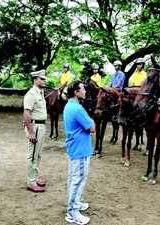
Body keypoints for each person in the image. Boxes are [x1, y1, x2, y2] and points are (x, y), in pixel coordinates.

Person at [63, 81, 95, 225]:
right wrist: (91, 120)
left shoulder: (70, 106)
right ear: (76, 92)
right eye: (82, 89)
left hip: (75, 148)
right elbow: (91, 127)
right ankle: (72, 212)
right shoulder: (77, 109)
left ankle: (76, 202)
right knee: (78, 180)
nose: (85, 91)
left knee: (74, 178)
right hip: (80, 149)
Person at [23, 69, 48, 192]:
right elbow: (27, 113)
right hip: (35, 126)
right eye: (42, 79)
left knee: (37, 155)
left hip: (41, 126)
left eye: (44, 78)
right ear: (35, 79)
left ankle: (34, 177)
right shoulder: (31, 94)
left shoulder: (40, 93)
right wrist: (31, 132)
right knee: (32, 155)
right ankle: (31, 182)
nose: (44, 80)